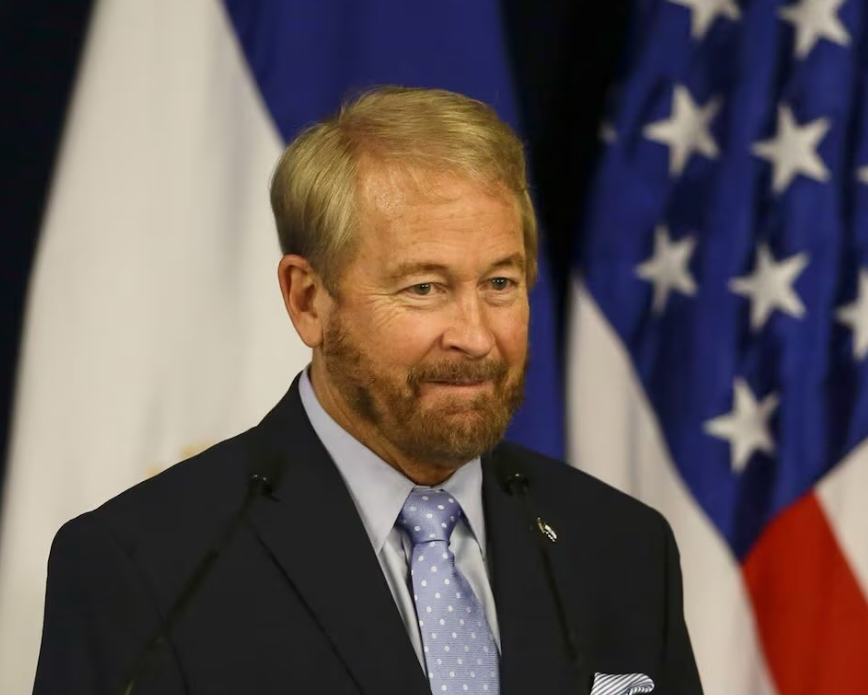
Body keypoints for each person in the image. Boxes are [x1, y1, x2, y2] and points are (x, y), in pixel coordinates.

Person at [33, 86, 703, 695]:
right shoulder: (149, 567)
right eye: (424, 287)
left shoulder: (624, 547)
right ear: (308, 299)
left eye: (500, 283)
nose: (475, 336)